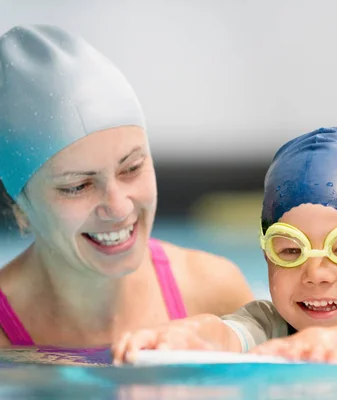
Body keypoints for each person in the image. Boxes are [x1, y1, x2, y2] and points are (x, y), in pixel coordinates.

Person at [113, 127, 337, 367]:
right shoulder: (266, 325)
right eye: (290, 250)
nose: (316, 274)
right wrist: (181, 337)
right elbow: (222, 334)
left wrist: (326, 347)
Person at [0, 25, 253, 347]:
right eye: (78, 186)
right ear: (17, 200)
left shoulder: (212, 292)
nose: (119, 207)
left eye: (132, 168)